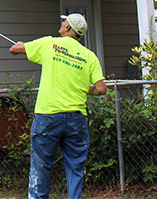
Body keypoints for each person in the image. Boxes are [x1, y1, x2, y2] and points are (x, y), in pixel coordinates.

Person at [9, 13, 107, 199]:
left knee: (41, 166)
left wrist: (20, 46)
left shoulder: (49, 44)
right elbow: (102, 89)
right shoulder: (89, 56)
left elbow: (15, 49)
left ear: (69, 28)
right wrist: (84, 89)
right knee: (75, 167)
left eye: (65, 21)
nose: (62, 23)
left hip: (48, 116)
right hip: (76, 118)